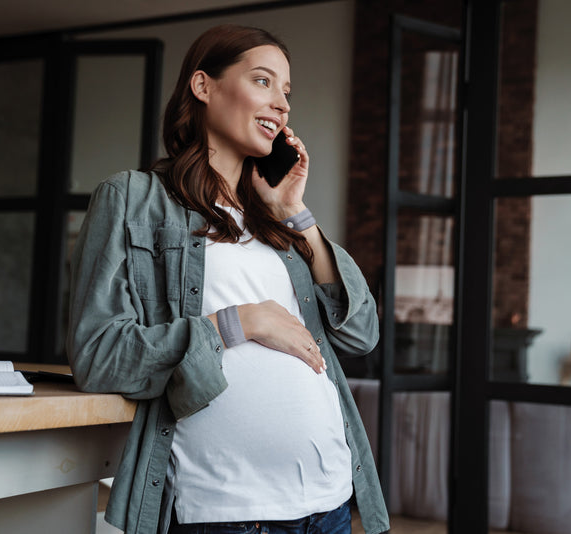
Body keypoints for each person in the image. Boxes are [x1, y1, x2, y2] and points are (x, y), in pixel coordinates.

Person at [67, 24, 390, 534]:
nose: (282, 104)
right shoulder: (134, 199)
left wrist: (295, 214)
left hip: (328, 504)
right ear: (203, 86)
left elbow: (360, 334)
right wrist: (240, 323)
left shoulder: (278, 225)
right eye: (263, 81)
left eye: (286, 91)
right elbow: (99, 355)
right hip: (224, 512)